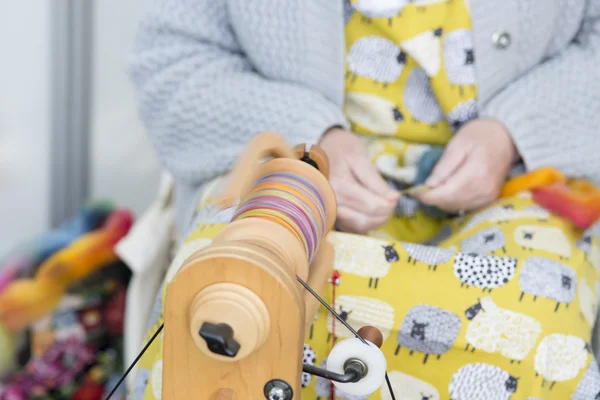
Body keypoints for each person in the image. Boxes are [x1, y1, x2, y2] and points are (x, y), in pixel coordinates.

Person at [127, 1, 600, 399]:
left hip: (519, 181)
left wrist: (514, 129)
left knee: (539, 319)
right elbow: (173, 64)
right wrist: (311, 136)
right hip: (298, 172)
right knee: (226, 294)